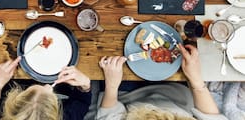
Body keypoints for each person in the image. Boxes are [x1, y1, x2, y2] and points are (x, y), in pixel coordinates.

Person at [88, 44, 228, 119]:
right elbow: (212, 117)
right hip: (177, 91)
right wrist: (196, 80)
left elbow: (109, 115)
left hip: (127, 95)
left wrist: (112, 84)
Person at [0, 56, 92, 120]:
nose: (47, 86)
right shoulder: (68, 117)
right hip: (63, 81)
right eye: (50, 94)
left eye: (30, 90)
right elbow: (82, 102)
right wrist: (85, 86)